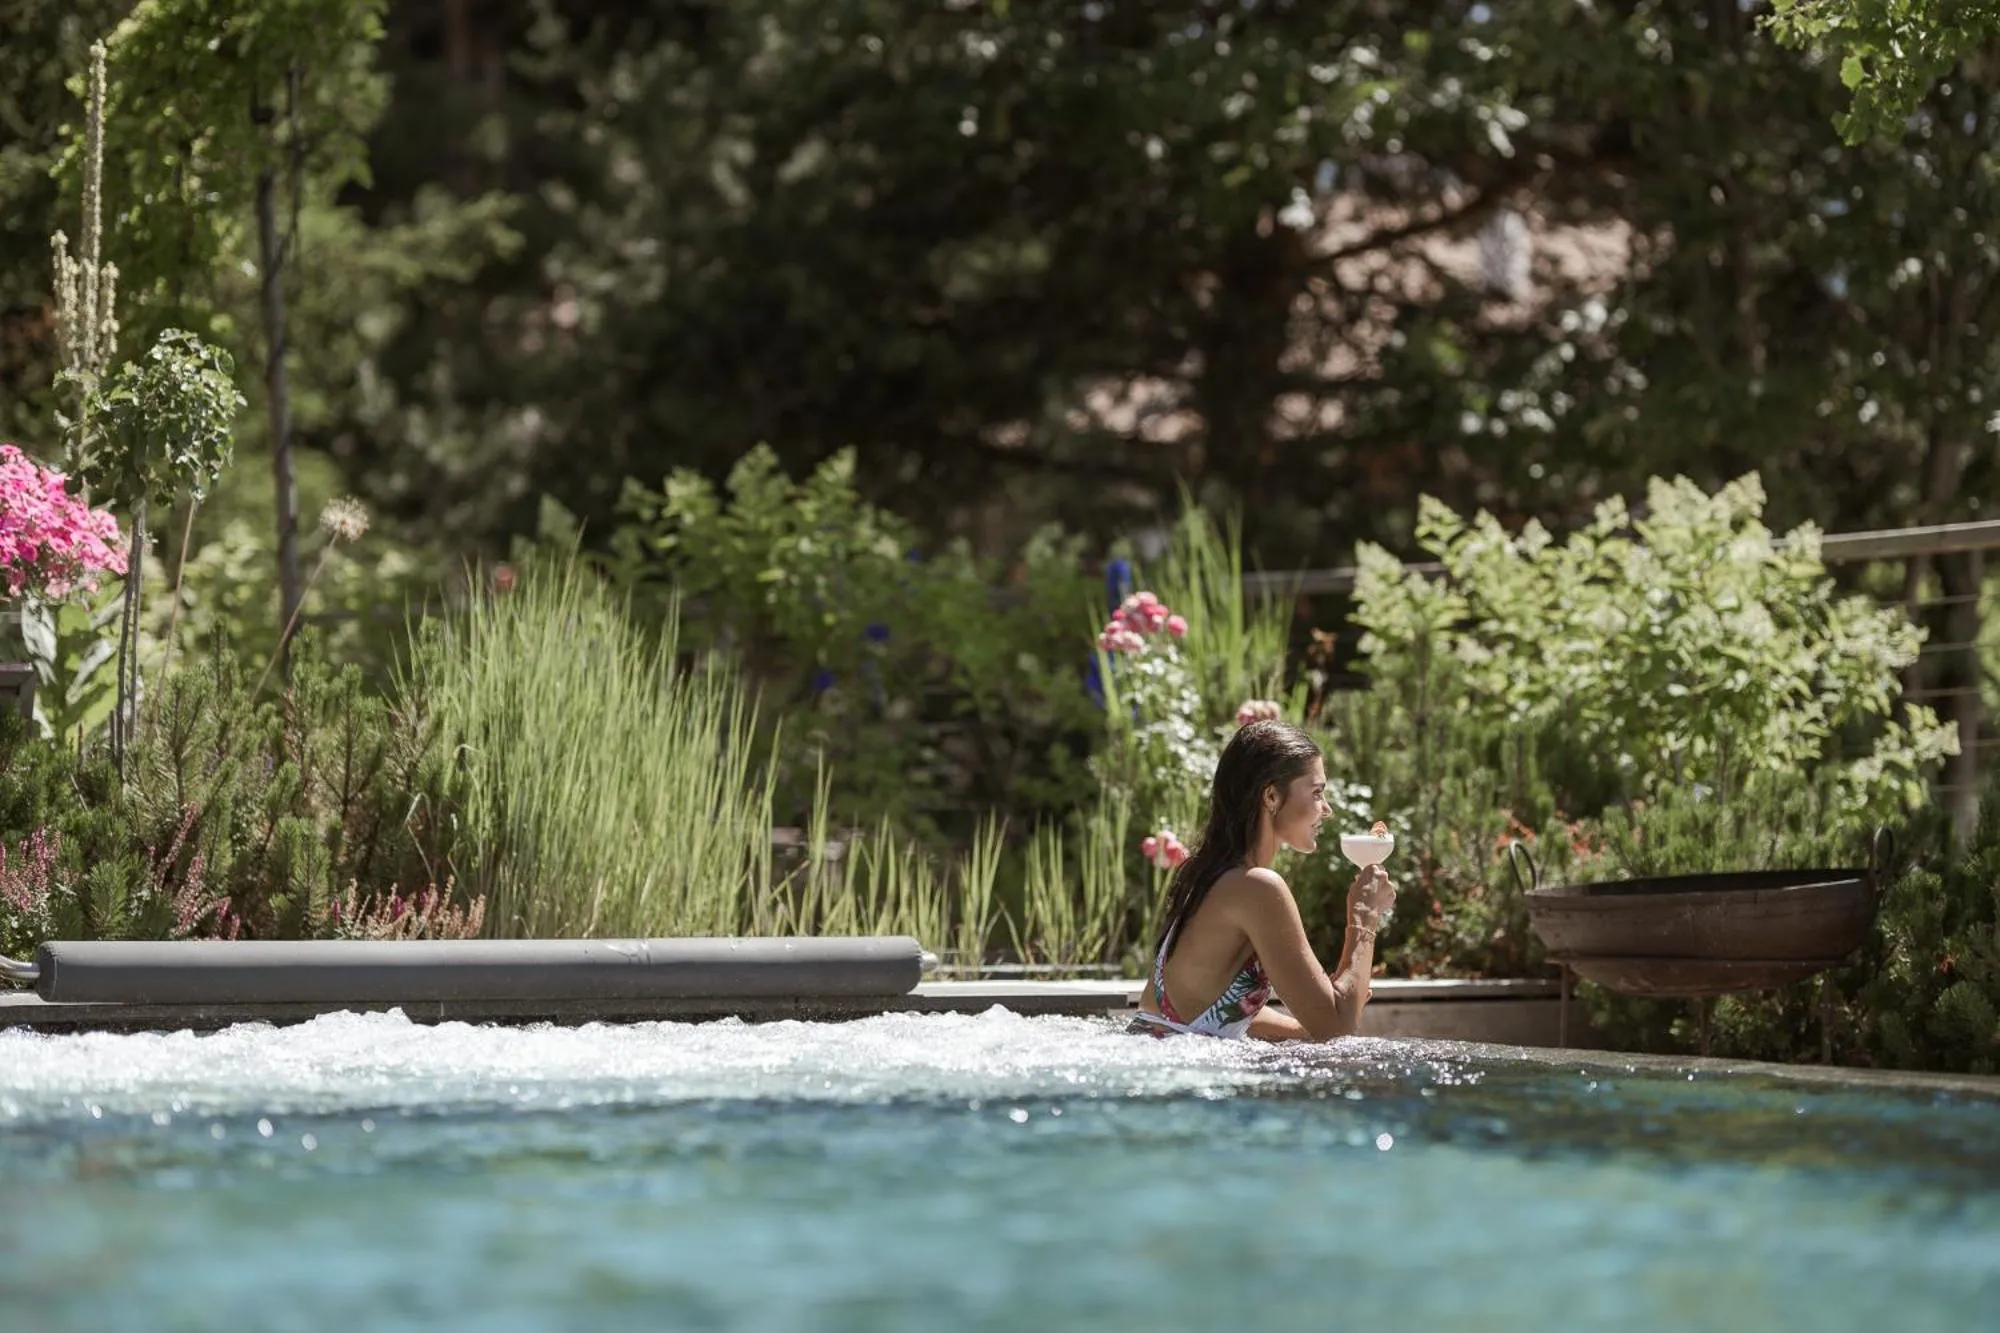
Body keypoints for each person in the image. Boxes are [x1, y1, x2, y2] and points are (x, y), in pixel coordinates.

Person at [1130, 719, 1397, 1042]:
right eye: (1316, 792)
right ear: (1271, 796)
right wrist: (1365, 916)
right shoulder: (1258, 887)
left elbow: (1213, 1008)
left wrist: (1308, 1023)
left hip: (1155, 1064)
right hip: (1176, 1076)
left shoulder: (1207, 875)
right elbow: (1337, 1029)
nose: (1326, 809)